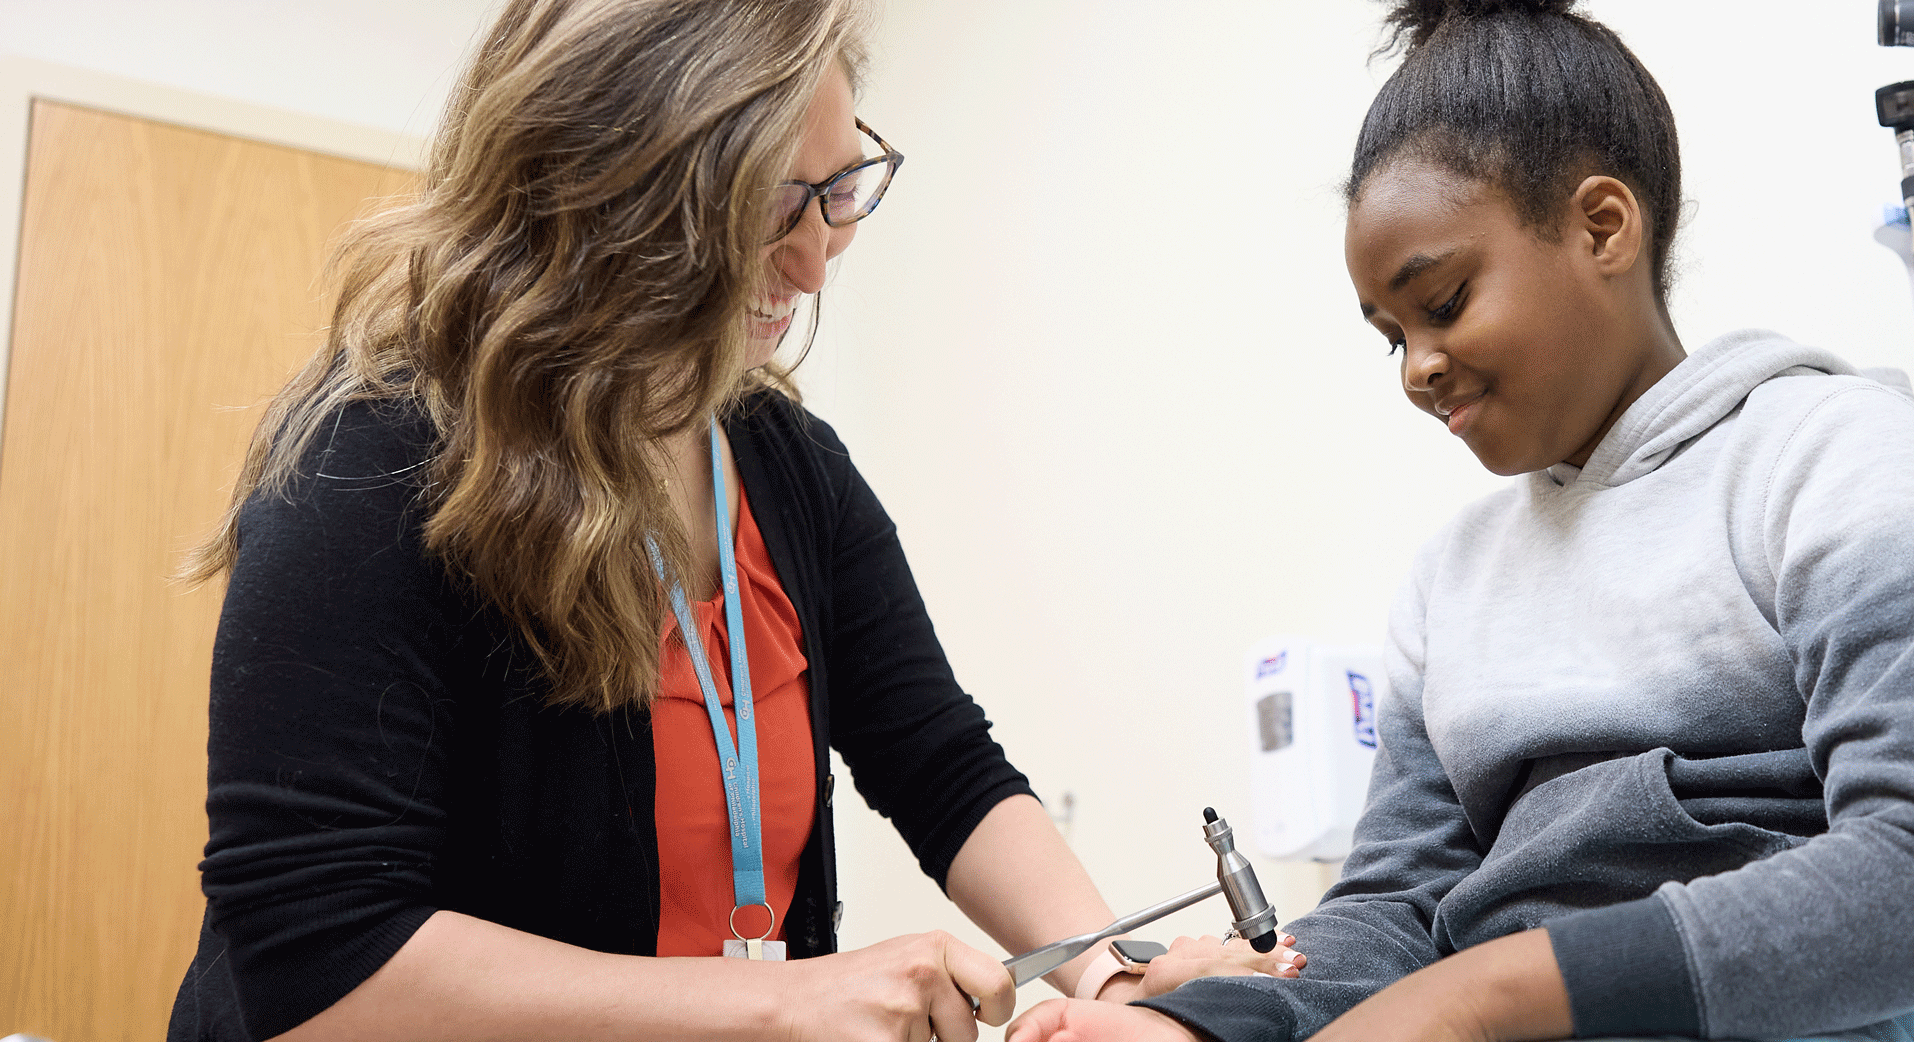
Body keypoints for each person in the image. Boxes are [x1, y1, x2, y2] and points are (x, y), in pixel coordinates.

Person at [168, 1, 1297, 1039]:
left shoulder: (784, 464)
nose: (813, 259)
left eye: (839, 187)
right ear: (603, 188)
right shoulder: (376, 465)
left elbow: (939, 761)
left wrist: (1101, 970)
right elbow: (316, 962)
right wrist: (778, 1000)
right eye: (763, 210)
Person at [1005, 2, 1914, 1041]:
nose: (1417, 367)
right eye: (1391, 336)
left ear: (1602, 227)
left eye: (1444, 302)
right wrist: (1206, 1026)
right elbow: (1396, 913)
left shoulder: (1834, 457)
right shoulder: (1450, 582)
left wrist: (1475, 996)